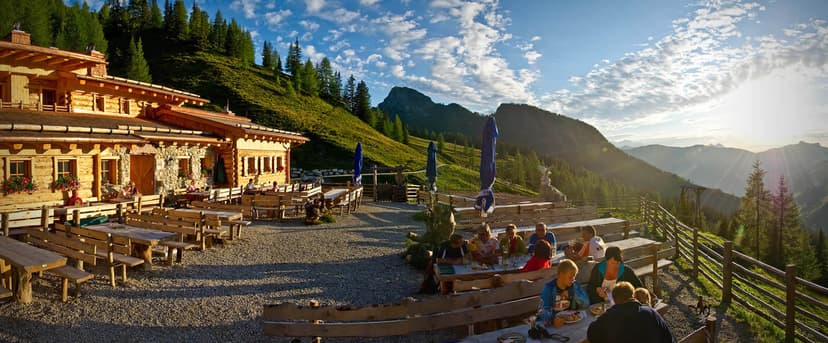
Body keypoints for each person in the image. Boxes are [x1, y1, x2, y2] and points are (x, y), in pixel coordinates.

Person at [587, 281, 675, 343]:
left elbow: (591, 334)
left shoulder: (608, 317)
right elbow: (668, 338)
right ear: (633, 296)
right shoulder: (651, 312)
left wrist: (603, 316)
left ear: (614, 299)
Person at [537, 259, 589, 328]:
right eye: (570, 277)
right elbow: (542, 310)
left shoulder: (575, 286)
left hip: (572, 321)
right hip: (556, 324)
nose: (573, 279)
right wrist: (553, 319)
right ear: (561, 274)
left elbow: (586, 303)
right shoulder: (549, 288)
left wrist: (572, 294)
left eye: (574, 276)